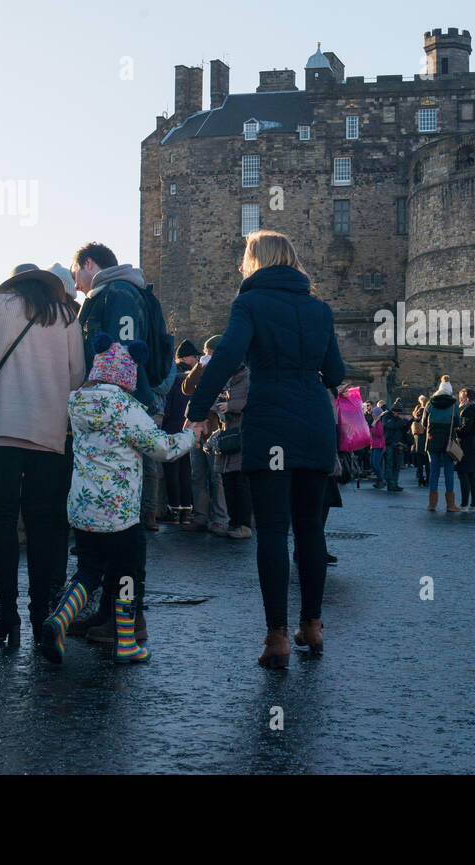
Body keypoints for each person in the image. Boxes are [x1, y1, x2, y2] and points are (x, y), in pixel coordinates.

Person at [185, 230, 345, 669]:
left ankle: (277, 637)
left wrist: (197, 411)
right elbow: (334, 371)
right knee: (311, 527)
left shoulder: (249, 303)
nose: (241, 265)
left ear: (257, 261)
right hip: (314, 422)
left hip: (270, 419)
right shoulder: (319, 308)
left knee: (272, 530)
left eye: (244, 257)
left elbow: (225, 357)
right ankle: (312, 625)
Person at [40, 336, 196, 665]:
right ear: (127, 376)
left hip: (83, 508)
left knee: (86, 571)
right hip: (120, 512)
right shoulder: (127, 408)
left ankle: (59, 620)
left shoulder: (77, 403)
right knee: (127, 576)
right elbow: (163, 448)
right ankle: (126, 643)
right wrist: (192, 434)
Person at [0, 264, 85, 647]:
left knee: (2, 522)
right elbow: (77, 375)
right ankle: (42, 613)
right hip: (48, 433)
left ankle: (6, 616)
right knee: (44, 525)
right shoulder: (64, 316)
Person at [71, 242, 167, 640]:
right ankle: (110, 611)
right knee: (118, 527)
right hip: (122, 412)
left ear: (89, 265)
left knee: (127, 530)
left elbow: (124, 354)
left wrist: (108, 406)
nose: (76, 285)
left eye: (77, 273)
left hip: (123, 415)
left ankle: (129, 618)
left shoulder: (118, 294)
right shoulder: (117, 293)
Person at [181, 336, 230, 535]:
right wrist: (199, 368)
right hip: (196, 426)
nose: (207, 357)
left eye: (210, 354)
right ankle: (200, 516)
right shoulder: (201, 369)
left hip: (216, 427)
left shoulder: (228, 369)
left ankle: (220, 518)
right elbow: (187, 389)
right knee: (197, 474)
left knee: (216, 475)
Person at [157, 340, 199, 525]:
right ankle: (186, 511)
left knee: (172, 472)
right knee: (185, 471)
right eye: (194, 356)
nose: (197, 358)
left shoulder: (172, 377)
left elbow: (168, 406)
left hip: (171, 429)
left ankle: (174, 511)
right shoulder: (193, 377)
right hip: (188, 430)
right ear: (185, 358)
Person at [213, 362, 252, 538]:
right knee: (227, 481)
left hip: (242, 433)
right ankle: (233, 522)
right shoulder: (225, 378)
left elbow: (254, 401)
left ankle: (244, 525)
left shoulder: (250, 378)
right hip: (227, 432)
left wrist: (231, 406)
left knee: (241, 482)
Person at [424, 378, 461, 512]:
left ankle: (432, 504)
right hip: (447, 441)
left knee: (433, 472)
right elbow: (458, 422)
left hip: (432, 440)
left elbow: (423, 423)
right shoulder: (454, 404)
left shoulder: (430, 403)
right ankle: (450, 505)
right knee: (448, 472)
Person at [455, 388, 475, 511]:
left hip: (466, 446)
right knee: (471, 475)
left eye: (461, 397)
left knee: (463, 474)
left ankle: (464, 504)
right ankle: (474, 505)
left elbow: (467, 429)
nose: (460, 400)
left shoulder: (469, 410)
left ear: (466, 398)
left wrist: (456, 431)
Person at [379, 400, 411, 492]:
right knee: (390, 464)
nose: (398, 414)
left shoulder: (398, 418)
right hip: (389, 443)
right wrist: (404, 420)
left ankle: (395, 483)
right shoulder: (386, 416)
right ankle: (390, 484)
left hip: (398, 444)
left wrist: (408, 422)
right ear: (393, 411)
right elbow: (391, 425)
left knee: (397, 465)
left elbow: (403, 429)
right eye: (397, 413)